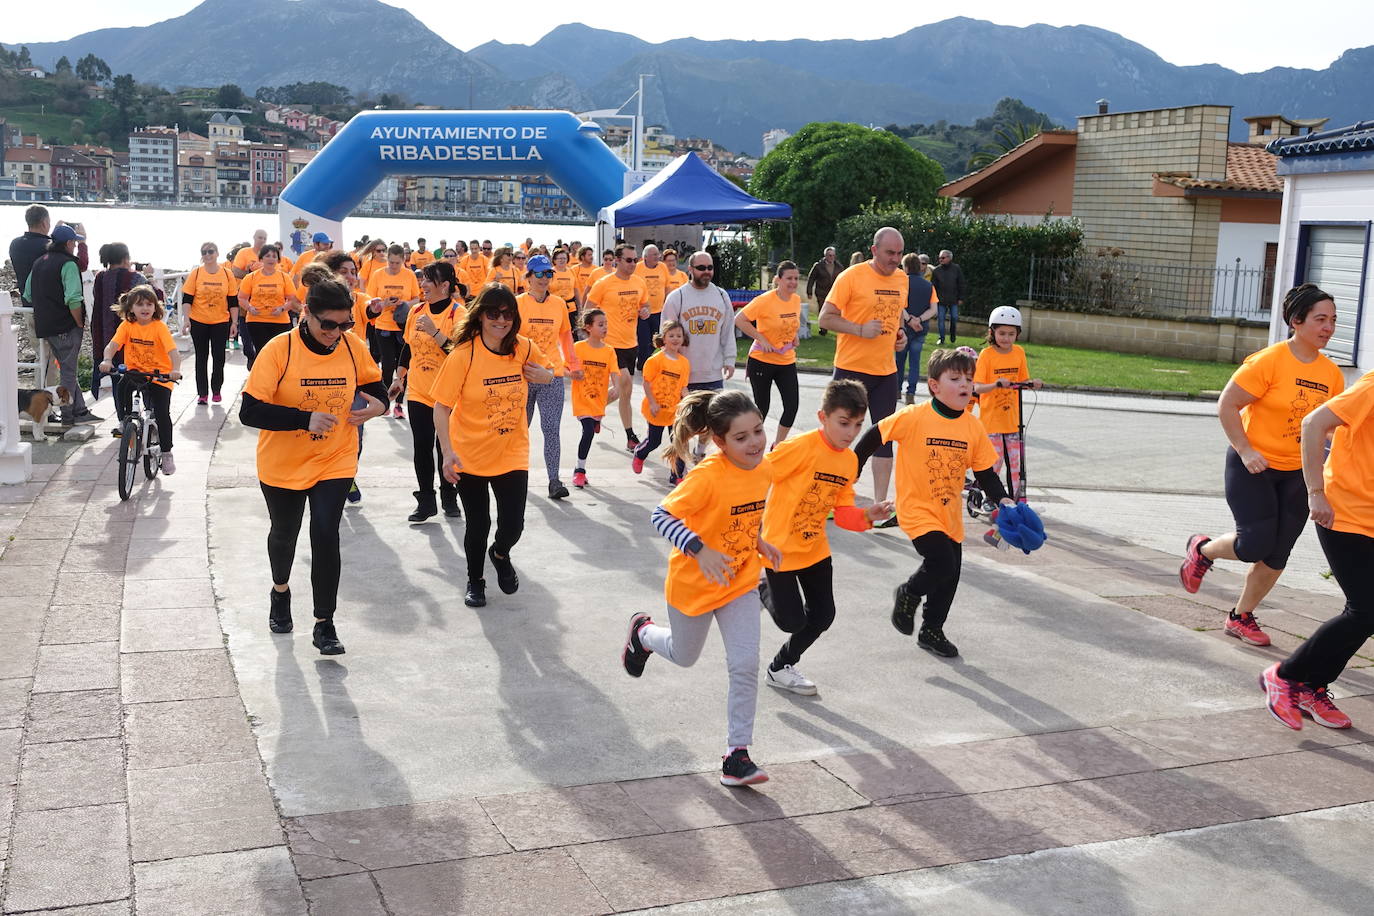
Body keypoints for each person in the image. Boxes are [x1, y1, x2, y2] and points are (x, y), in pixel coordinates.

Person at [619, 389, 780, 788]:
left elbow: (744, 514)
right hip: (694, 585)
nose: (755, 442)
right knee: (684, 655)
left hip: (740, 581)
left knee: (744, 665)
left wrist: (758, 541)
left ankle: (736, 755)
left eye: (758, 430)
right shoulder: (708, 475)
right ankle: (643, 634)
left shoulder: (764, 469)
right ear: (720, 442)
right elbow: (660, 515)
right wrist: (699, 549)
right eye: (741, 438)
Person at [1180, 284, 1345, 646]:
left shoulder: (1331, 374)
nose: (1328, 327)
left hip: (1298, 473)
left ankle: (1241, 616)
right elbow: (1227, 405)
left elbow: (1328, 430)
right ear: (1296, 321)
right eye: (1320, 319)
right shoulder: (1268, 361)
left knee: (1278, 551)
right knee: (1254, 545)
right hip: (1253, 466)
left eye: (1333, 320)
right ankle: (1202, 550)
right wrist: (1244, 449)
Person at [240, 277, 389, 655]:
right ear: (306, 314)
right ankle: (280, 592)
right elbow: (250, 410)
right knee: (285, 532)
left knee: (325, 533)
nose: (336, 333)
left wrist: (378, 405)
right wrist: (303, 418)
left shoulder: (353, 348)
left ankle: (325, 623)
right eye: (329, 325)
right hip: (282, 462)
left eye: (345, 325)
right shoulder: (279, 350)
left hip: (335, 458)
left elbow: (376, 387)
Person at [852, 348, 1015, 659]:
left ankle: (931, 630)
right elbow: (876, 434)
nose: (964, 384)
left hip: (949, 514)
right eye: (955, 378)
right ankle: (909, 593)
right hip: (916, 509)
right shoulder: (915, 416)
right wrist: (853, 467)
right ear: (934, 386)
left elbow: (984, 473)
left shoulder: (972, 426)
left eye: (968, 378)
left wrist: (1004, 498)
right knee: (941, 563)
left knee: (949, 575)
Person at [1257, 358, 1374, 731]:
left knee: (1367, 612)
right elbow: (1313, 423)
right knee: (1366, 610)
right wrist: (1315, 492)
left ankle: (1311, 686)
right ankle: (1286, 677)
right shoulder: (1372, 386)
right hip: (1343, 514)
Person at [759, 379, 894, 694]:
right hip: (779, 547)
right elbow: (759, 474)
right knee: (792, 622)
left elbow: (842, 509)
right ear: (823, 417)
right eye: (844, 423)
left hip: (815, 548)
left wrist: (867, 515)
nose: (851, 433)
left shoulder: (849, 462)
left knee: (823, 615)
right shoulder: (799, 447)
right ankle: (762, 587)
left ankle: (780, 667)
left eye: (858, 425)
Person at [432, 285, 554, 608]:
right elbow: (441, 407)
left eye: (507, 314)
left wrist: (545, 375)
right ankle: (475, 580)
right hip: (468, 455)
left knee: (513, 524)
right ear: (481, 316)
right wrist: (446, 453)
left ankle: (500, 553)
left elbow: (549, 373)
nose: (500, 320)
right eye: (493, 314)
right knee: (478, 523)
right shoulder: (464, 355)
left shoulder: (524, 348)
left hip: (511, 452)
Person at [819, 227, 909, 510]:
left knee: (884, 438)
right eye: (889, 253)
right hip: (850, 370)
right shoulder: (851, 277)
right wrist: (858, 329)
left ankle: (880, 504)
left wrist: (900, 336)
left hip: (886, 372)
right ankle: (830, 498)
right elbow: (825, 318)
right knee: (839, 437)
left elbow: (896, 319)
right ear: (874, 250)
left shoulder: (902, 278)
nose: (895, 259)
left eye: (899, 253)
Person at [394, 260, 467, 522]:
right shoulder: (415, 312)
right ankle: (426, 501)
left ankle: (449, 494)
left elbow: (459, 354)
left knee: (444, 446)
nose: (422, 285)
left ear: (445, 285)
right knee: (422, 446)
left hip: (447, 395)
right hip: (418, 391)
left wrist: (435, 332)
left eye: (428, 280)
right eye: (422, 279)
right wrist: (398, 378)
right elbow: (407, 348)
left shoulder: (459, 315)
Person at [97, 285, 182, 473]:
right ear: (131, 308)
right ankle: (124, 421)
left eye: (149, 304)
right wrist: (107, 359)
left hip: (159, 376)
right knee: (121, 386)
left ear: (155, 307)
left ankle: (167, 453)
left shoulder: (159, 327)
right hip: (135, 373)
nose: (145, 308)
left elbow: (174, 353)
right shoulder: (127, 326)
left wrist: (175, 370)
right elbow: (112, 345)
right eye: (140, 304)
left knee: (161, 414)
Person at [517, 254, 581, 500]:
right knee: (520, 429)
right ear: (529, 277)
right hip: (523, 375)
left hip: (551, 375)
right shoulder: (518, 303)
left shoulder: (559, 304)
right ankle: (517, 476)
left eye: (548, 274)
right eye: (540, 274)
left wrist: (573, 365)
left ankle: (554, 480)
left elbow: (566, 337)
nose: (544, 279)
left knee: (551, 428)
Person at [24, 224, 98, 425]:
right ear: (68, 243)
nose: (75, 245)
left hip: (46, 326)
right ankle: (68, 416)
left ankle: (80, 411)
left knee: (67, 368)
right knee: (68, 371)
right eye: (74, 242)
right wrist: (79, 323)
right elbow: (73, 298)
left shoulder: (39, 262)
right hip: (65, 325)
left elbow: (28, 293)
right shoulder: (68, 264)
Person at [585, 244, 651, 452]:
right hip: (610, 344)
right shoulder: (604, 283)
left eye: (635, 260)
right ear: (617, 261)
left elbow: (645, 304)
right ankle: (631, 436)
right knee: (626, 385)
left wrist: (645, 311)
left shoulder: (639, 282)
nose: (633, 264)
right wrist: (592, 335)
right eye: (629, 260)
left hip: (631, 343)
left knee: (623, 390)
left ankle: (596, 411)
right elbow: (588, 310)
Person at [973, 306, 1041, 500]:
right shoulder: (986, 355)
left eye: (1011, 334)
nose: (1006, 338)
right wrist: (996, 384)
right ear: (991, 332)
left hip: (1013, 422)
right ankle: (988, 497)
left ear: (1017, 334)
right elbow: (977, 388)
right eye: (1001, 333)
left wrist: (1033, 384)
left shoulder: (1019, 352)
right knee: (994, 464)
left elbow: (1022, 381)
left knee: (1016, 465)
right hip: (991, 422)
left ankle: (1016, 499)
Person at [735, 260, 802, 448]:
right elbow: (740, 319)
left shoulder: (796, 300)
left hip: (786, 360)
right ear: (778, 280)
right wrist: (761, 338)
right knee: (761, 408)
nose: (793, 282)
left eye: (796, 278)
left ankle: (777, 447)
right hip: (761, 361)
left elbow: (789, 324)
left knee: (792, 406)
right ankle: (749, 444)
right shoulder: (764, 300)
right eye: (789, 278)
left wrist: (794, 336)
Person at [90, 242, 156, 408]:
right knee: (143, 379)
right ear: (126, 258)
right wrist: (149, 277)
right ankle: (148, 413)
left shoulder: (100, 277)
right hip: (132, 337)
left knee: (117, 382)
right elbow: (153, 298)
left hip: (106, 336)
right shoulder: (135, 278)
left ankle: (122, 420)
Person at [661, 251, 736, 393]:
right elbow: (665, 335)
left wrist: (730, 360)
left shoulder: (721, 296)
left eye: (710, 268)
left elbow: (727, 331)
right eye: (701, 268)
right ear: (690, 269)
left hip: (713, 375)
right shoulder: (677, 297)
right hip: (683, 375)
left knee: (713, 415)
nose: (706, 271)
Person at [366, 244, 422, 419]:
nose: (394, 266)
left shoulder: (409, 274)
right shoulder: (378, 275)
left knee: (403, 367)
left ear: (403, 261)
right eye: (391, 262)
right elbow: (369, 300)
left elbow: (417, 298)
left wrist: (404, 304)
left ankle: (398, 404)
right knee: (387, 364)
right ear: (387, 259)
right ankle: (384, 402)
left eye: (397, 263)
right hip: (383, 325)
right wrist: (384, 303)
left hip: (402, 325)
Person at [631, 320, 690, 478]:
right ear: (663, 338)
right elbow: (646, 383)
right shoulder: (655, 360)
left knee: (678, 442)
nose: (676, 338)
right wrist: (652, 403)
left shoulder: (684, 363)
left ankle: (676, 475)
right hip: (657, 409)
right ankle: (640, 453)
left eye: (679, 335)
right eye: (671, 335)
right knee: (654, 441)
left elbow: (683, 387)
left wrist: (689, 403)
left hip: (675, 411)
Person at [182, 241, 238, 405]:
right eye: (204, 252)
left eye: (210, 251)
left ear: (217, 253)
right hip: (198, 320)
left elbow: (233, 301)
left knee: (219, 357)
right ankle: (202, 394)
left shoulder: (227, 274)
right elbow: (187, 300)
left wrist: (234, 323)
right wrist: (186, 320)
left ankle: (216, 390)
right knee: (201, 357)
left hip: (220, 321)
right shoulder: (197, 273)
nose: (207, 255)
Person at [570, 309, 616, 489]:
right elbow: (564, 368)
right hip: (581, 400)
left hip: (598, 400)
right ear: (588, 327)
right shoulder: (578, 348)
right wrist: (571, 374)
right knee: (588, 431)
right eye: (600, 324)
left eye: (606, 324)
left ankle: (597, 420)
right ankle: (579, 470)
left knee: (592, 424)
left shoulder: (609, 351)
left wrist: (617, 387)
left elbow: (614, 372)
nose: (605, 327)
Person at [11, 206, 87, 304]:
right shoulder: (48, 247)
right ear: (44, 223)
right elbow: (81, 266)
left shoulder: (15, 244)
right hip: (53, 308)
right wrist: (82, 243)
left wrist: (55, 236)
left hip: (27, 303)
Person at [238, 246, 299, 369]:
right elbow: (242, 298)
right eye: (267, 256)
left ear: (278, 260)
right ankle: (260, 381)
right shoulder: (251, 277)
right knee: (262, 352)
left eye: (274, 256)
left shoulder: (284, 277)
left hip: (280, 321)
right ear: (261, 259)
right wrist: (249, 308)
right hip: (256, 321)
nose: (271, 259)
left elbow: (292, 300)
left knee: (279, 354)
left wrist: (282, 308)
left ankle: (277, 380)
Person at [898, 253, 938, 405]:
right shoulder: (929, 286)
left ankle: (896, 389)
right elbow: (933, 309)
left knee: (899, 361)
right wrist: (919, 319)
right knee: (915, 361)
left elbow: (899, 305)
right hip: (921, 328)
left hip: (903, 327)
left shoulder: (901, 283)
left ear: (906, 267)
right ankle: (911, 392)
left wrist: (909, 319)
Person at [635, 244, 670, 369]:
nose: (657, 256)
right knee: (643, 341)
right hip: (643, 312)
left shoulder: (663, 267)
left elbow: (666, 287)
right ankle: (642, 365)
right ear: (645, 257)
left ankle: (647, 360)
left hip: (659, 310)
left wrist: (667, 302)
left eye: (658, 254)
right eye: (654, 254)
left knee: (656, 341)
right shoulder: (637, 268)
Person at [931, 249, 967, 345]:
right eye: (939, 258)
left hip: (953, 299)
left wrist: (961, 298)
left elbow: (961, 284)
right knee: (941, 320)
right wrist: (934, 300)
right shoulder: (936, 271)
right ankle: (941, 338)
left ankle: (952, 334)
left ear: (950, 258)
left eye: (943, 258)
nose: (940, 260)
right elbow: (933, 286)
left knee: (954, 318)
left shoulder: (956, 269)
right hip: (940, 300)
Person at [806, 246, 842, 338]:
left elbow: (843, 279)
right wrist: (809, 292)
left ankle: (835, 327)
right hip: (821, 292)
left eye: (833, 255)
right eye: (830, 255)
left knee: (835, 311)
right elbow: (811, 279)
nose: (831, 257)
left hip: (833, 293)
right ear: (825, 256)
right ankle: (823, 329)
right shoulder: (818, 266)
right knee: (823, 309)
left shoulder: (839, 267)